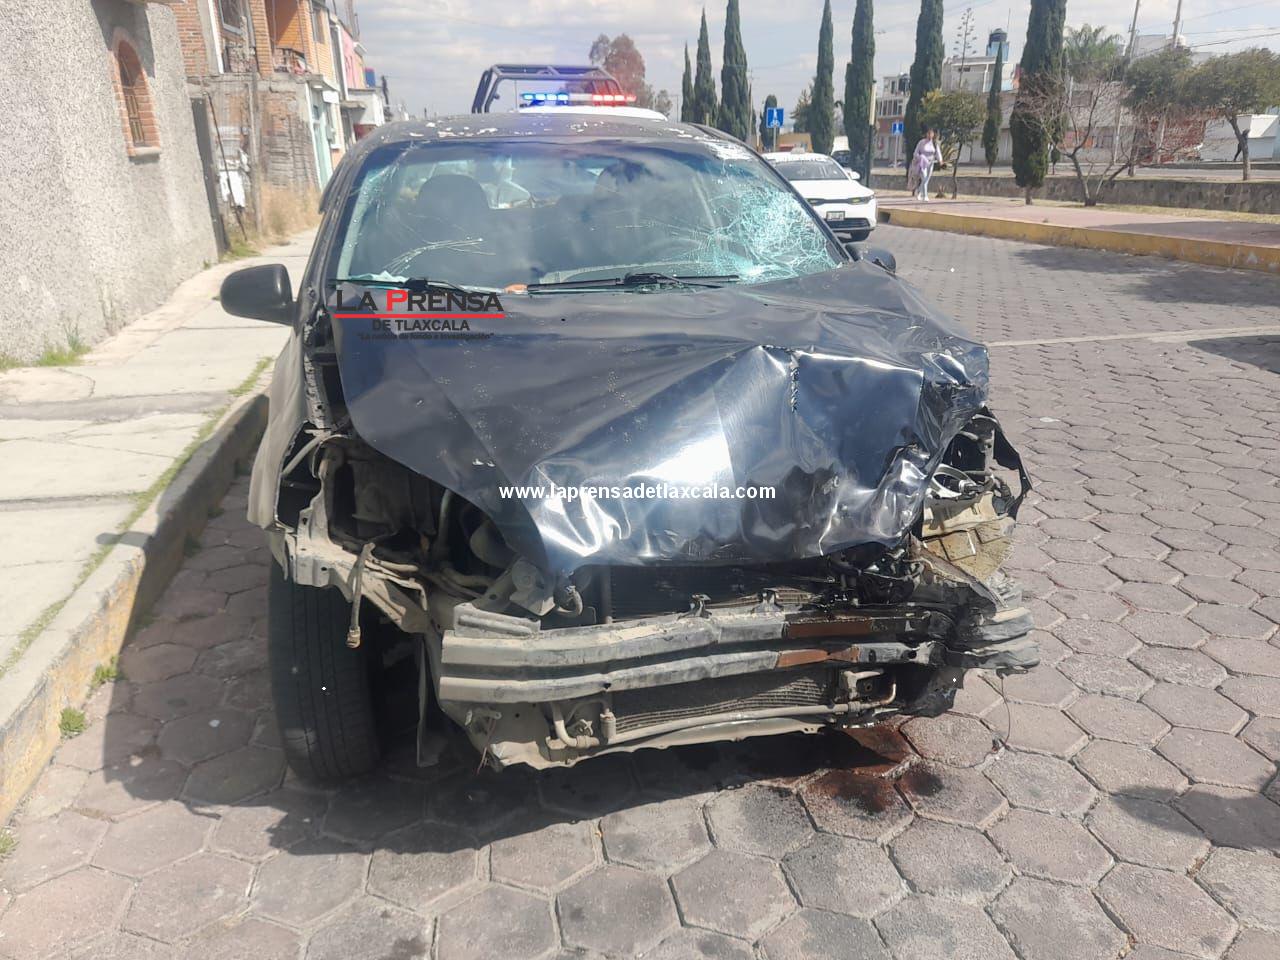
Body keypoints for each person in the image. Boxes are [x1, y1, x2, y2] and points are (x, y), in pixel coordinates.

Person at [911, 126, 940, 201]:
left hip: (931, 163)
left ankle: (919, 192)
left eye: (931, 134)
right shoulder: (921, 142)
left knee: (926, 180)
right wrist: (920, 157)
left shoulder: (934, 143)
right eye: (928, 133)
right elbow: (915, 153)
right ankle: (925, 196)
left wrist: (940, 160)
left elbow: (938, 153)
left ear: (933, 134)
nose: (930, 135)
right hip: (923, 163)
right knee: (924, 177)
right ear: (926, 134)